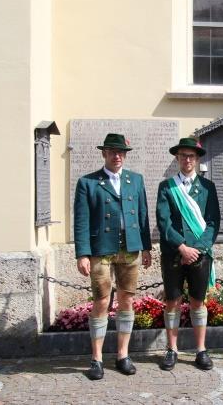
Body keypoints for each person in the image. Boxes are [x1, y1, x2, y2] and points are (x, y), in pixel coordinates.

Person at [73, 133, 153, 380]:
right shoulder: (88, 182)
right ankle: (96, 358)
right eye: (112, 152)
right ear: (104, 154)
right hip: (101, 249)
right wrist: (82, 253)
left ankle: (122, 355)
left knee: (127, 299)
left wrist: (146, 247)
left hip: (130, 247)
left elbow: (142, 215)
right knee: (101, 301)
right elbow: (81, 220)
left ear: (125, 155)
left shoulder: (135, 180)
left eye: (121, 152)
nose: (117, 156)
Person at [156, 137, 220, 371]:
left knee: (197, 301)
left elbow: (213, 222)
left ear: (197, 159)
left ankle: (201, 349)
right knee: (172, 301)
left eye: (191, 156)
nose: (187, 159)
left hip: (200, 255)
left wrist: (198, 249)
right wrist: (182, 247)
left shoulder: (208, 187)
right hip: (174, 254)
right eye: (183, 155)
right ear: (177, 158)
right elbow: (164, 223)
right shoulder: (166, 187)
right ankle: (172, 349)